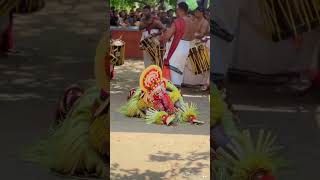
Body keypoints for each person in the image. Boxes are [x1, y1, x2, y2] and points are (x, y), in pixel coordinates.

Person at [160, 2, 196, 89]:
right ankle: (176, 96)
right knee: (179, 72)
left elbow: (167, 35)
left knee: (172, 73)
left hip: (177, 47)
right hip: (186, 47)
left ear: (180, 10)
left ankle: (173, 97)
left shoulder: (178, 21)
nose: (176, 11)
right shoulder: (191, 22)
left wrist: (162, 41)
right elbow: (192, 37)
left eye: (177, 9)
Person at [183, 6, 210, 91]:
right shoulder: (194, 20)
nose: (195, 13)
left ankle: (200, 82)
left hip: (200, 43)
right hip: (191, 42)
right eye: (195, 12)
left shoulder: (205, 22)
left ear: (201, 13)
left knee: (198, 62)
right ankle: (188, 82)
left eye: (197, 12)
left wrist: (192, 35)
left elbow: (201, 34)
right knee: (186, 59)